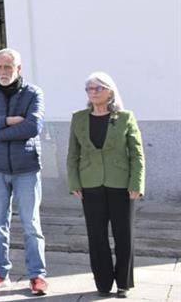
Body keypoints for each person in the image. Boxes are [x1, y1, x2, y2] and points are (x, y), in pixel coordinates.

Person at [0, 48, 48, 295]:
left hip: (26, 168)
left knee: (31, 225)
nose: (4, 71)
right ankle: (0, 272)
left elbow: (33, 126)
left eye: (9, 67)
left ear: (19, 68)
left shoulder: (33, 93)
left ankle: (37, 275)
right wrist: (8, 120)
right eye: (0, 67)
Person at [68, 72, 145, 299]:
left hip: (121, 184)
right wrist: (74, 182)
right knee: (96, 235)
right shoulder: (79, 118)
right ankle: (102, 282)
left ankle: (123, 283)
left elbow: (137, 154)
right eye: (89, 89)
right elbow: (72, 154)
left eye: (97, 88)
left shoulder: (124, 117)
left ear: (110, 91)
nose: (93, 92)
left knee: (124, 234)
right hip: (90, 184)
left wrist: (137, 183)